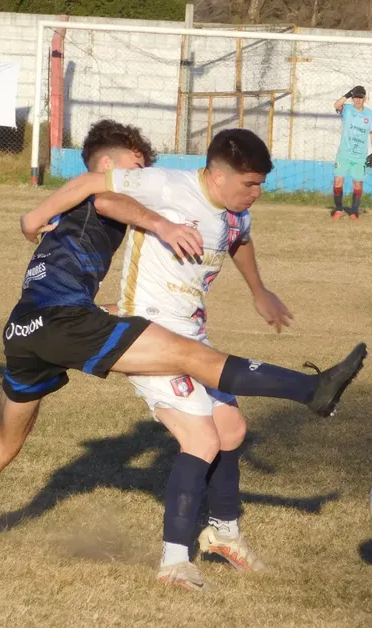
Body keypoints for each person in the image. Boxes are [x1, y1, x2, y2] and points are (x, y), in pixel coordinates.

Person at [0, 120, 367, 562]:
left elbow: (222, 232)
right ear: (114, 163)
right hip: (63, 322)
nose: (147, 169)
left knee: (5, 442)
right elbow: (103, 192)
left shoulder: (92, 205)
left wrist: (253, 288)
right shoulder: (102, 195)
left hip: (24, 329)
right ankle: (311, 391)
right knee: (192, 357)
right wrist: (36, 216)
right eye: (140, 163)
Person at [110, 129, 289, 590]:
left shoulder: (234, 213)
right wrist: (157, 224)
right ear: (216, 174)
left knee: (231, 429)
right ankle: (173, 562)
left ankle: (223, 534)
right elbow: (102, 190)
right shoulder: (167, 185)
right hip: (144, 334)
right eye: (249, 184)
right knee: (201, 437)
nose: (257, 193)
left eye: (260, 184)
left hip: (191, 335)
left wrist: (258, 291)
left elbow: (239, 240)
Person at [331, 85, 372, 220]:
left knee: (357, 183)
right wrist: (347, 94)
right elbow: (336, 104)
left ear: (365, 98)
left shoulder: (369, 114)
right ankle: (339, 210)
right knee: (338, 181)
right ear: (352, 98)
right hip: (344, 154)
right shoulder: (347, 110)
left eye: (360, 97)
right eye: (355, 97)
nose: (358, 100)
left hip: (360, 157)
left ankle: (354, 212)